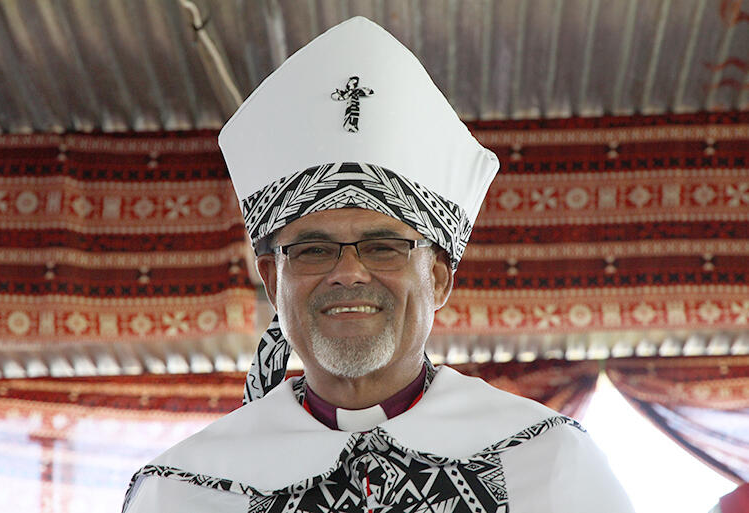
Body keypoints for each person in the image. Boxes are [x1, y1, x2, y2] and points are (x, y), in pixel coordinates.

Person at [123, 16, 634, 513]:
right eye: (313, 249)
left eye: (384, 246)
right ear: (274, 279)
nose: (348, 273)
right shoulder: (188, 492)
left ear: (437, 277)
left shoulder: (548, 469)